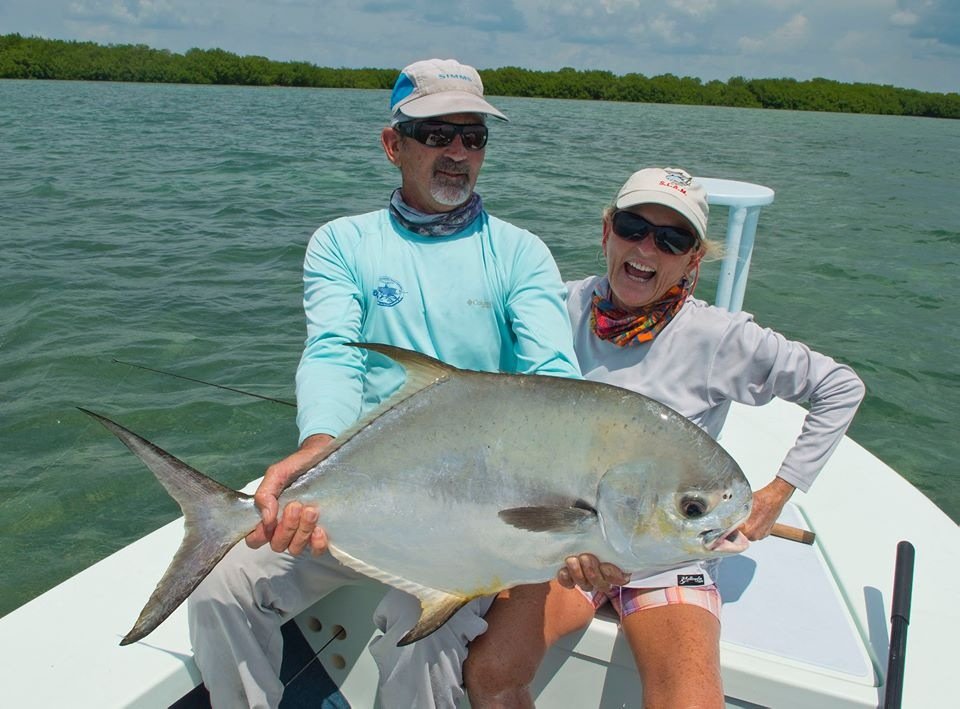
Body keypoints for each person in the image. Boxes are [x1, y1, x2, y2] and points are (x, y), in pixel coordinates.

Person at [186, 58, 581, 708]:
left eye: (473, 136)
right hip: (353, 483)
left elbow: (554, 382)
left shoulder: (521, 253)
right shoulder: (343, 243)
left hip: (470, 509)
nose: (457, 151)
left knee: (417, 634)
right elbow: (334, 351)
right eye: (436, 134)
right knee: (223, 585)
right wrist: (319, 443)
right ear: (392, 144)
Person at [462, 167, 866, 708]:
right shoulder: (552, 310)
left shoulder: (721, 338)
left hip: (667, 555)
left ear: (693, 260)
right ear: (607, 231)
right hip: (571, 543)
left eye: (673, 239)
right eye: (633, 227)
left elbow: (839, 387)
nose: (647, 248)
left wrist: (775, 495)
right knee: (491, 674)